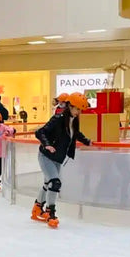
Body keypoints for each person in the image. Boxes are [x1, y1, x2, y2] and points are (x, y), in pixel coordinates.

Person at [31, 92, 93, 229]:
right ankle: (50, 213)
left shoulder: (74, 120)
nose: (79, 112)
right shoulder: (58, 118)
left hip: (58, 157)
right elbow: (40, 132)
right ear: (70, 106)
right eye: (77, 109)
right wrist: (47, 144)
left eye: (80, 110)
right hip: (46, 156)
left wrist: (87, 141)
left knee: (48, 182)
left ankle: (37, 208)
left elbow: (75, 133)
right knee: (55, 182)